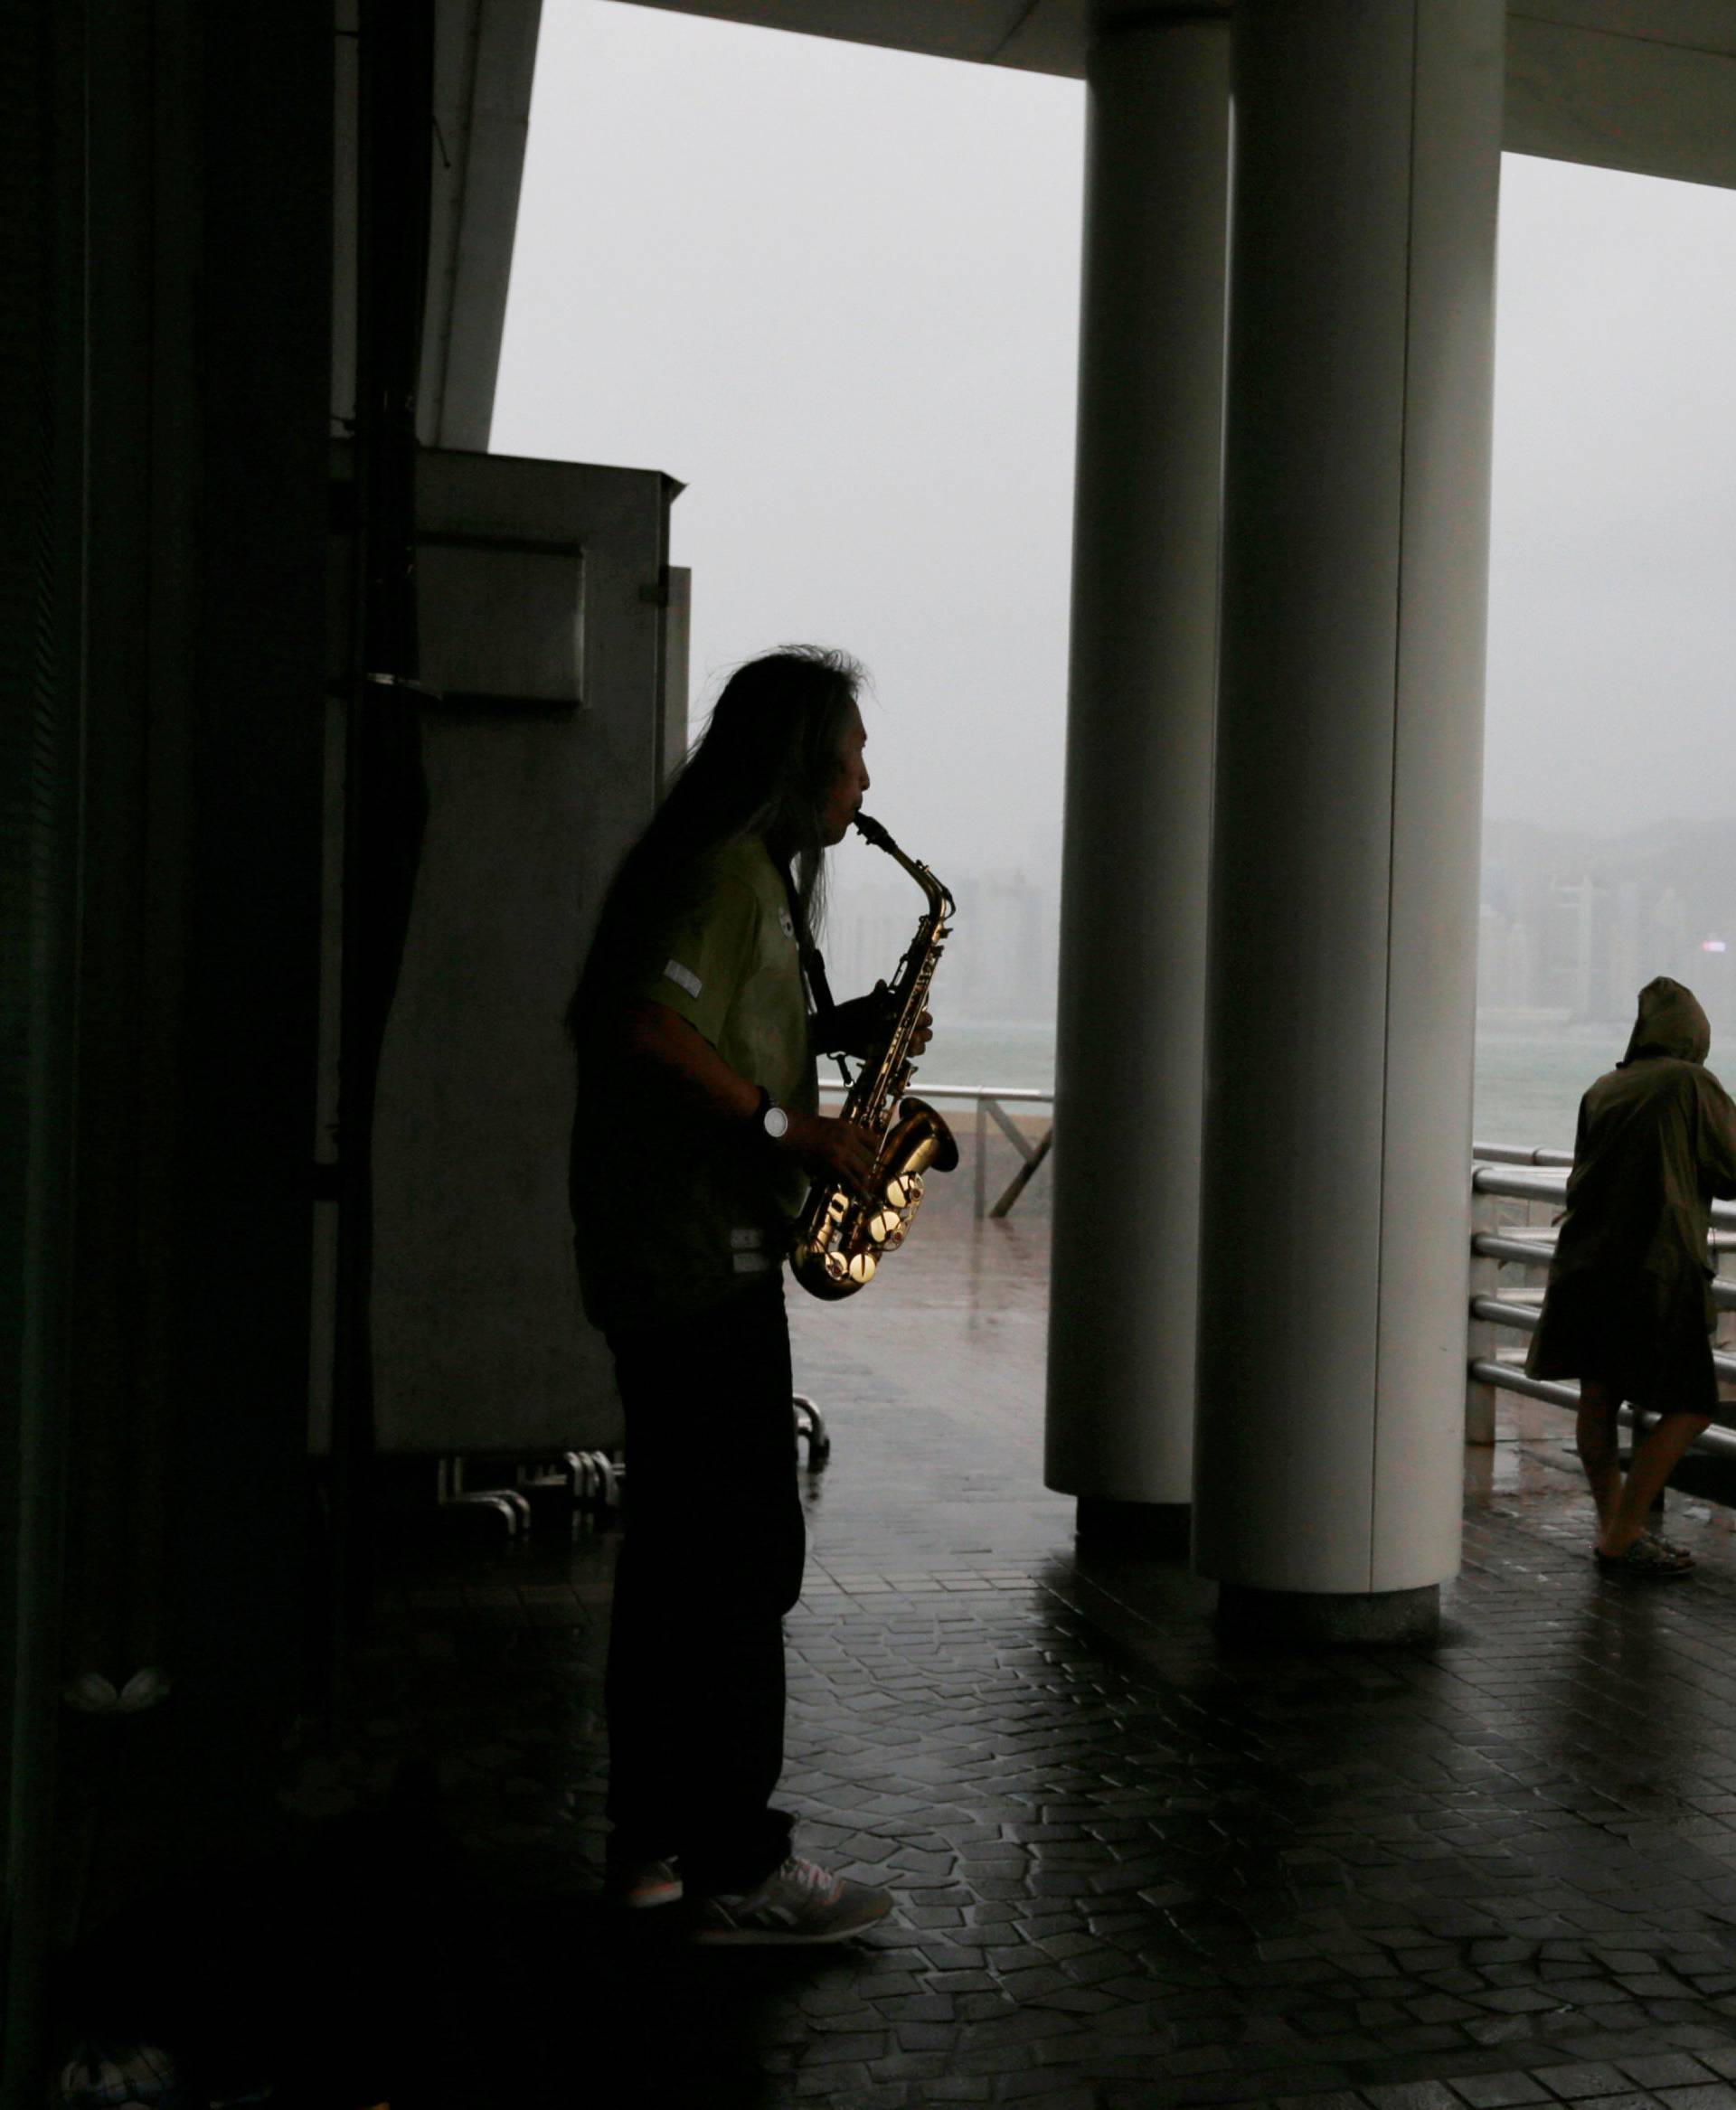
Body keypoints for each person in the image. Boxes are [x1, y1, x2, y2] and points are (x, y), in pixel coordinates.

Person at [567, 645, 923, 1943]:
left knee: (680, 1563)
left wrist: (841, 1036)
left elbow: (699, 1028)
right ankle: (735, 1857)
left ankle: (653, 1842)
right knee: (737, 1559)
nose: (866, 780)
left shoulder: (737, 873)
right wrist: (790, 1126)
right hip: (697, 1262)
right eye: (853, 755)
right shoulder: (726, 873)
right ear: (799, 761)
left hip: (683, 1259)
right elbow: (645, 1029)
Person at [1527, 977, 1736, 1577]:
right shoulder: (1689, 1082)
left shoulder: (1604, 1088)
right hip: (1655, 1270)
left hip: (1586, 1264)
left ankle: (1616, 1526)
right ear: (1696, 1035)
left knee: (1598, 1400)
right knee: (1693, 1404)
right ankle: (1621, 1537)